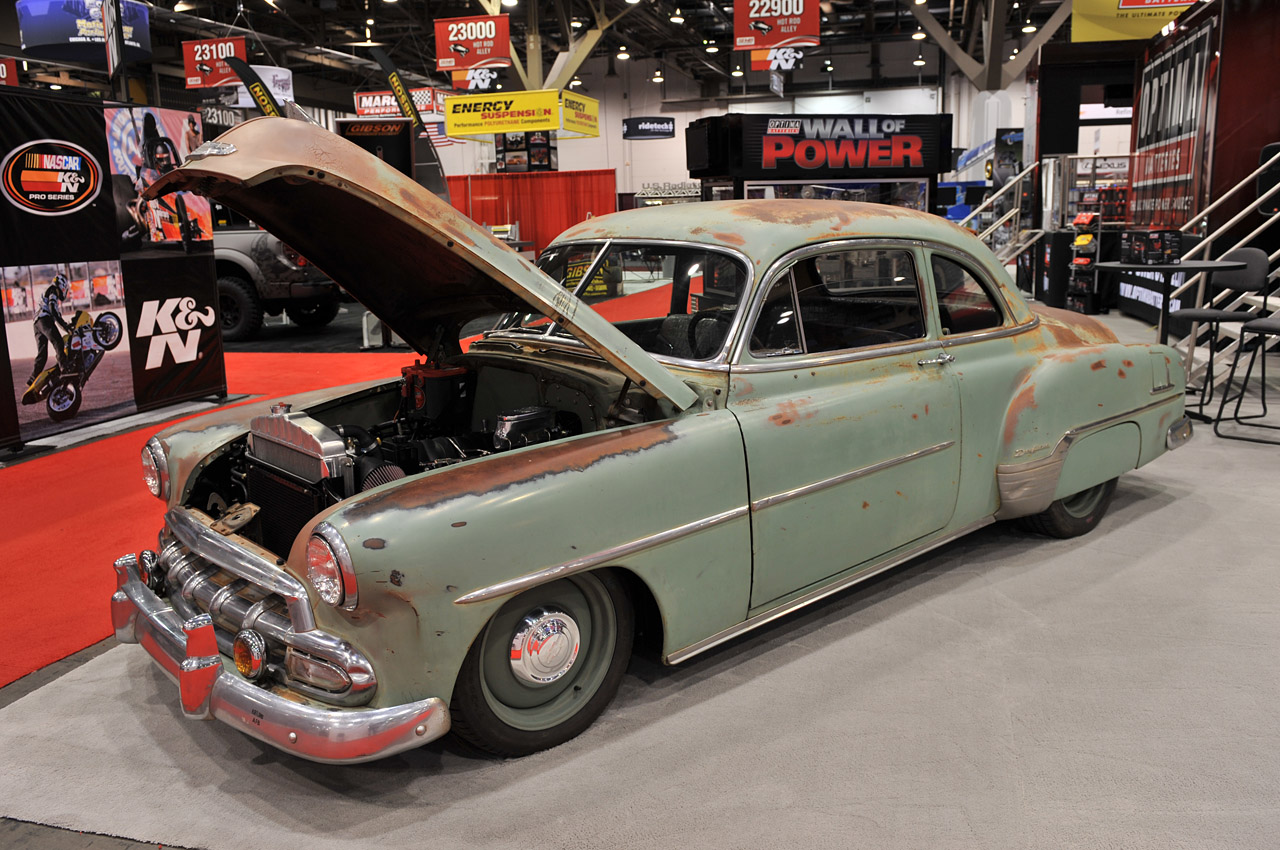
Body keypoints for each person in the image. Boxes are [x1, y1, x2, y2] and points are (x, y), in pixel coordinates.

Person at [28, 273, 73, 386]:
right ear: (62, 285)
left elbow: (55, 313)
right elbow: (53, 311)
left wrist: (64, 326)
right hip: (44, 319)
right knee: (58, 341)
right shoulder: (53, 291)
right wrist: (66, 327)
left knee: (42, 353)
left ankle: (33, 378)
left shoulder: (48, 292)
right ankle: (64, 368)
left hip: (36, 323)